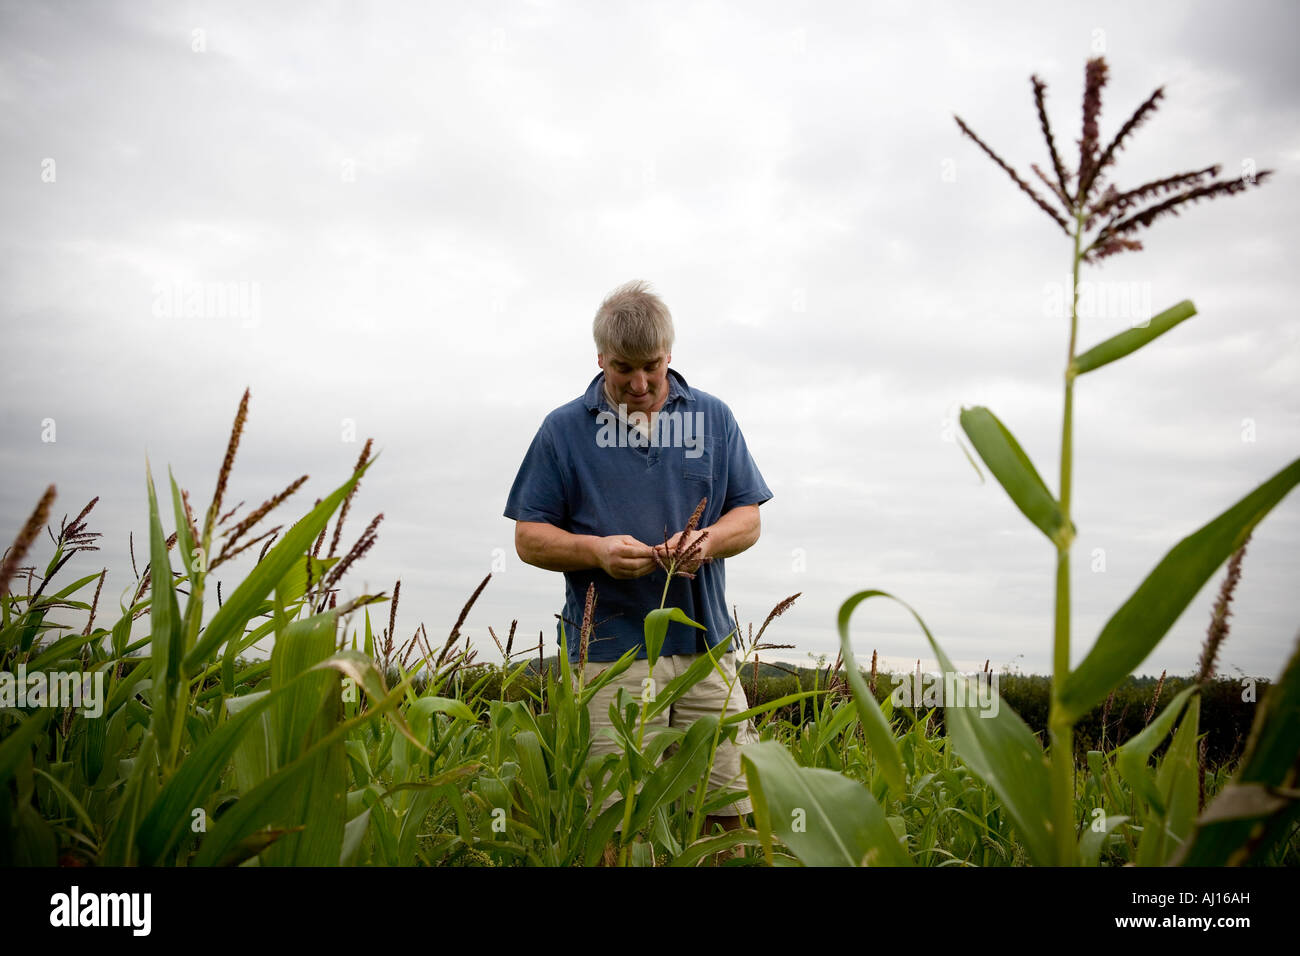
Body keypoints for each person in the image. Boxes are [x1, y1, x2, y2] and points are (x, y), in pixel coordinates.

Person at [503, 279, 774, 858]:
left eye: (652, 366)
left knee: (729, 810)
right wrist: (597, 552)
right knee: (619, 819)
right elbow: (529, 537)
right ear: (600, 357)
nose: (641, 384)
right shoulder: (562, 430)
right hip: (608, 656)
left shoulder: (713, 418)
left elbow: (748, 517)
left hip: (708, 650)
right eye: (624, 368)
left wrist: (708, 539)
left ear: (670, 354)